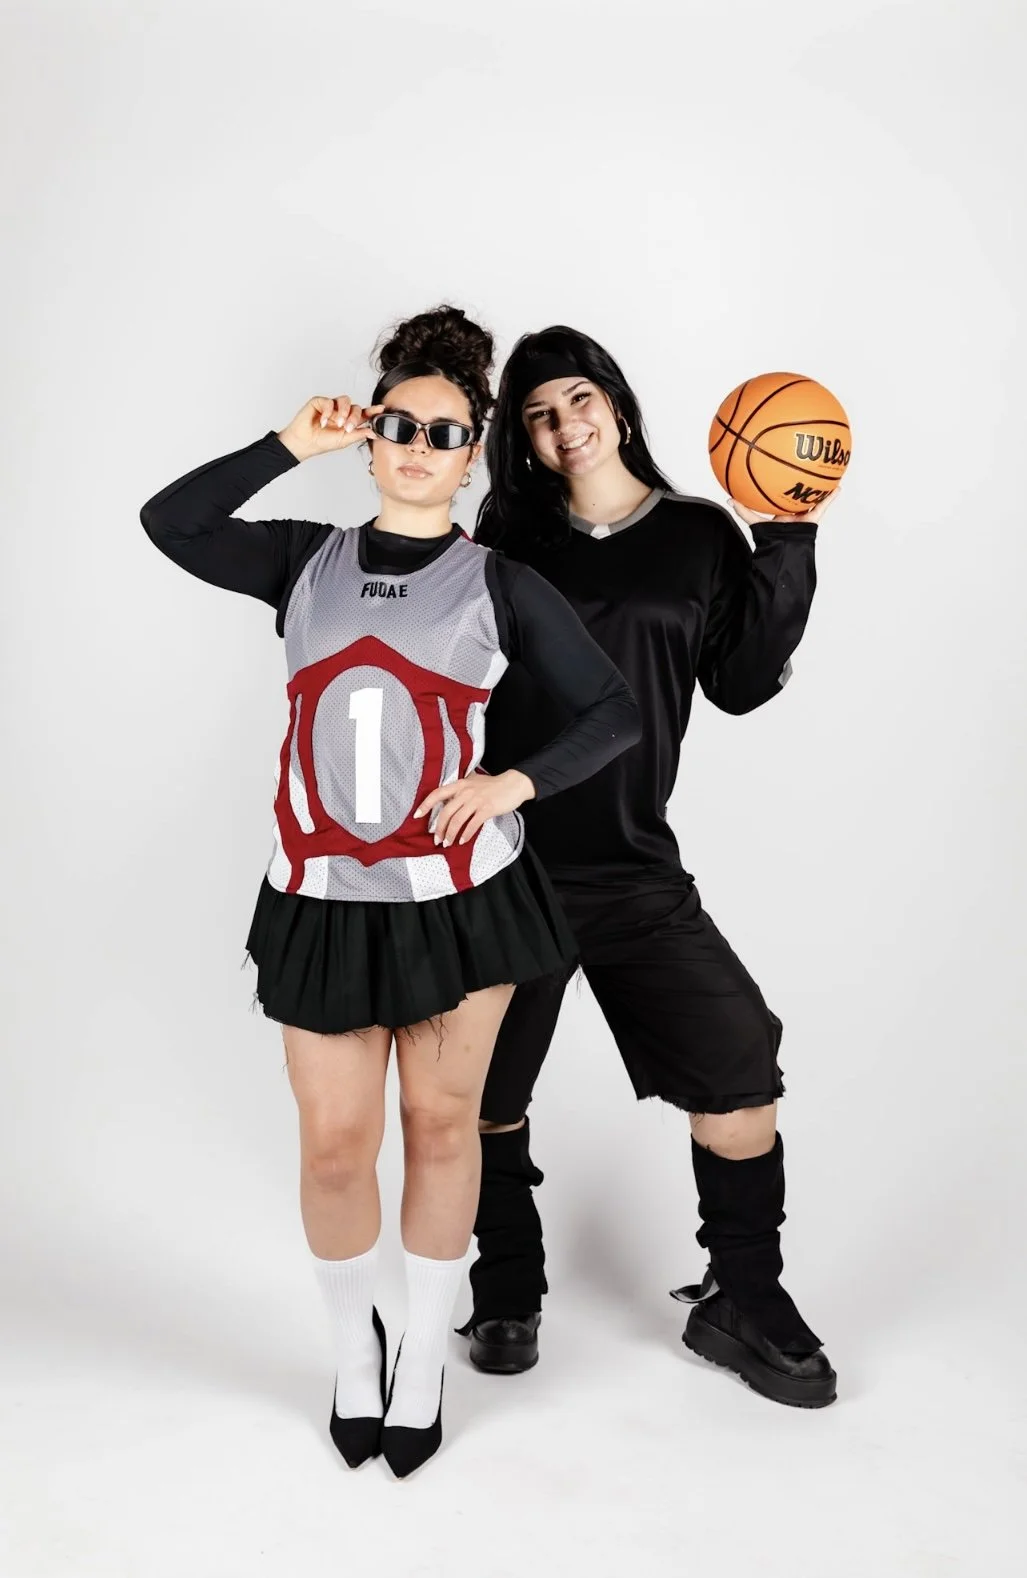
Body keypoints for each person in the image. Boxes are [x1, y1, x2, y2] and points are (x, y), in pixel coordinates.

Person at [139, 306, 641, 1476]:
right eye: (398, 425)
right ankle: (349, 1351)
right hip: (319, 897)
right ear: (371, 441)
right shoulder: (299, 562)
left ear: (473, 456)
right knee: (333, 1148)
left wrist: (512, 780)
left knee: (438, 1126)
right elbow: (170, 522)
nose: (419, 443)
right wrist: (283, 446)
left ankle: (422, 1352)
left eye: (446, 430)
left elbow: (609, 710)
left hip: (459, 903)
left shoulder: (498, 582)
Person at [463, 326, 838, 1408]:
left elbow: (739, 682)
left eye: (577, 399)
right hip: (506, 862)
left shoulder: (695, 535)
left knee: (738, 1067)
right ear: (520, 440)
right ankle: (507, 1283)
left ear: (615, 403)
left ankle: (745, 1295)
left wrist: (790, 537)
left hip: (632, 868)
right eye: (536, 414)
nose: (563, 425)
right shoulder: (504, 541)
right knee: (487, 1093)